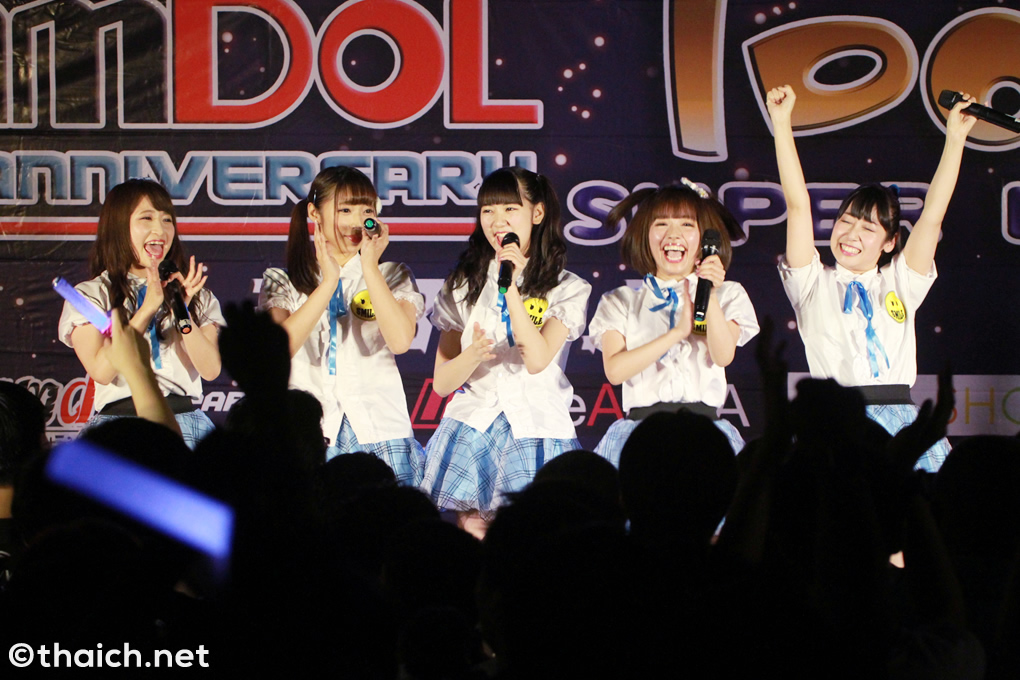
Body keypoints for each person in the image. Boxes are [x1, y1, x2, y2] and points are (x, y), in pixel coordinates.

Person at [766, 85, 976, 472]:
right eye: (845, 221)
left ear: (890, 242)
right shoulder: (811, 282)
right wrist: (781, 123)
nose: (851, 235)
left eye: (867, 228)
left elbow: (932, 215)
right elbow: (797, 206)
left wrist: (955, 138)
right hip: (835, 423)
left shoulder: (901, 281)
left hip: (901, 419)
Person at [421, 167, 591, 533]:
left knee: (534, 535)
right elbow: (442, 383)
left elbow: (538, 360)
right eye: (488, 210)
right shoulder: (462, 285)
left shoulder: (567, 288)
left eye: (510, 209)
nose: (497, 221)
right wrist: (471, 355)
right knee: (474, 531)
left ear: (537, 213)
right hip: (473, 424)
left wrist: (511, 286)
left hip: (537, 426)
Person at [259, 166, 425, 484]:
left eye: (366, 211)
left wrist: (370, 267)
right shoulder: (282, 280)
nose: (356, 221)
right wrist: (328, 283)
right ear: (314, 212)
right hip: (307, 430)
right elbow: (277, 351)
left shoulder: (392, 274)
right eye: (345, 210)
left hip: (380, 426)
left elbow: (401, 341)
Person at [588, 182, 759, 464]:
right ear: (645, 235)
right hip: (640, 435)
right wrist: (677, 333)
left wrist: (709, 292)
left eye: (686, 224)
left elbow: (723, 355)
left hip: (706, 434)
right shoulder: (621, 301)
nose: (673, 235)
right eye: (661, 224)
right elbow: (615, 371)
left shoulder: (729, 294)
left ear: (704, 238)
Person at [58, 179, 224, 449]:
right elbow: (101, 371)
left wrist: (181, 309)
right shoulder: (91, 294)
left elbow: (210, 369)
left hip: (185, 424)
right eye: (147, 218)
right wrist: (147, 308)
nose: (160, 229)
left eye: (167, 219)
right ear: (118, 227)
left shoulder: (196, 295)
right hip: (119, 427)